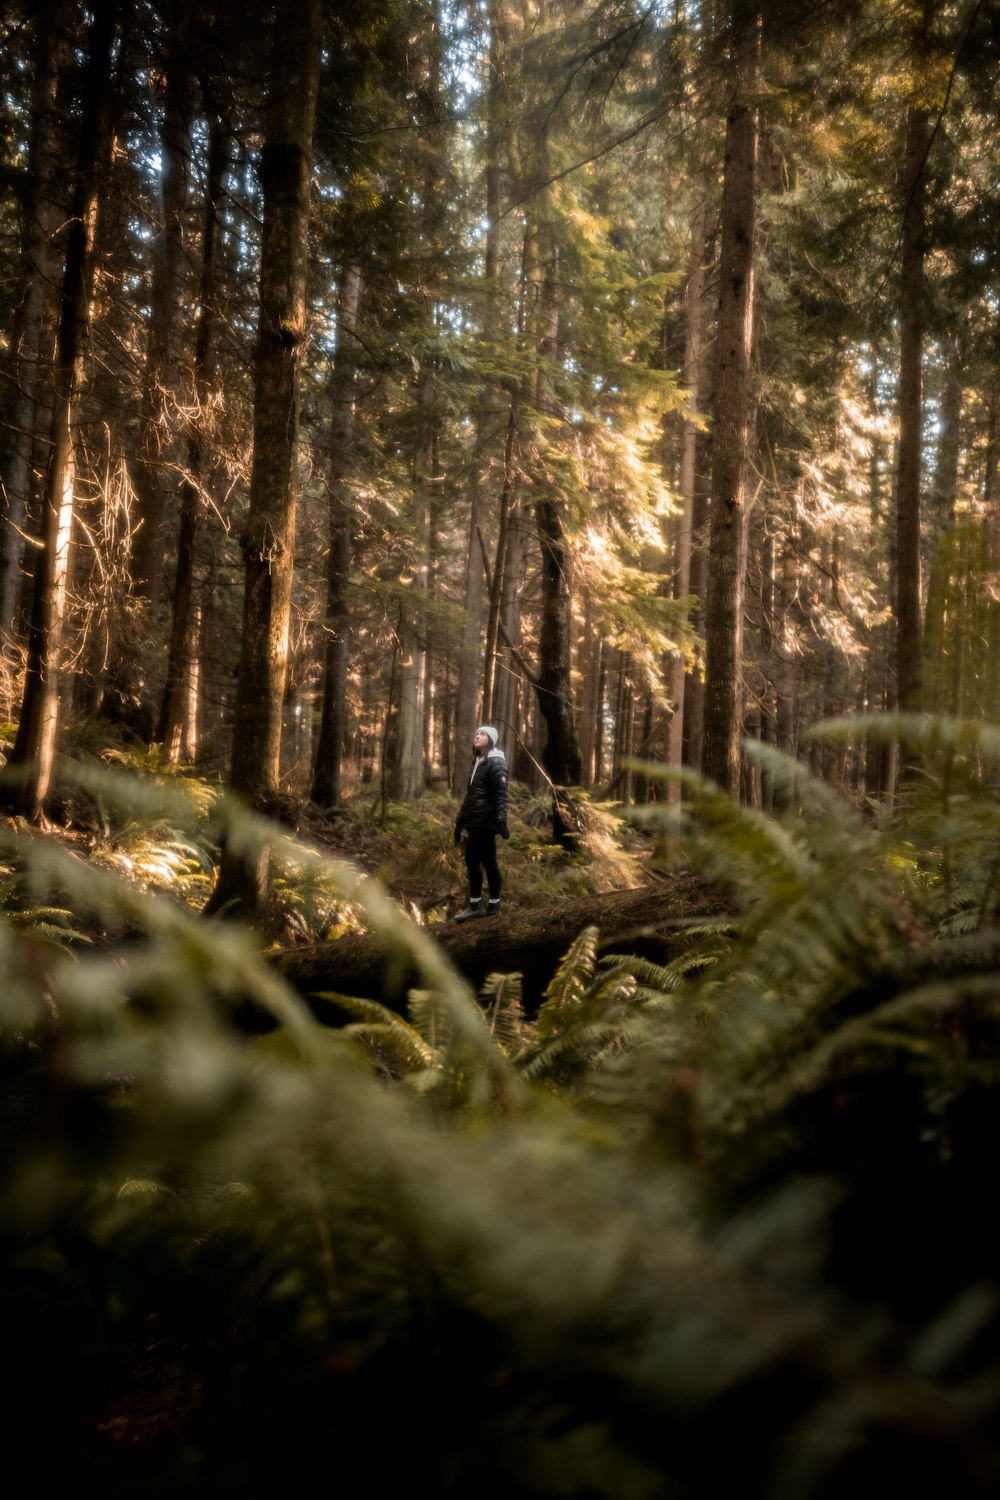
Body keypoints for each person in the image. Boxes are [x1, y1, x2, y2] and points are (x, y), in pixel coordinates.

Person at [453, 724, 509, 920]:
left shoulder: (496, 762)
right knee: (488, 861)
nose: (477, 736)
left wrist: (501, 820)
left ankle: (476, 905)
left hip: (485, 820)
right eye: (476, 733)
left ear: (491, 739)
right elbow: (470, 796)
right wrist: (460, 821)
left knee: (472, 859)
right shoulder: (477, 761)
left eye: (482, 734)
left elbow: (501, 794)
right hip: (475, 819)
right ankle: (493, 906)